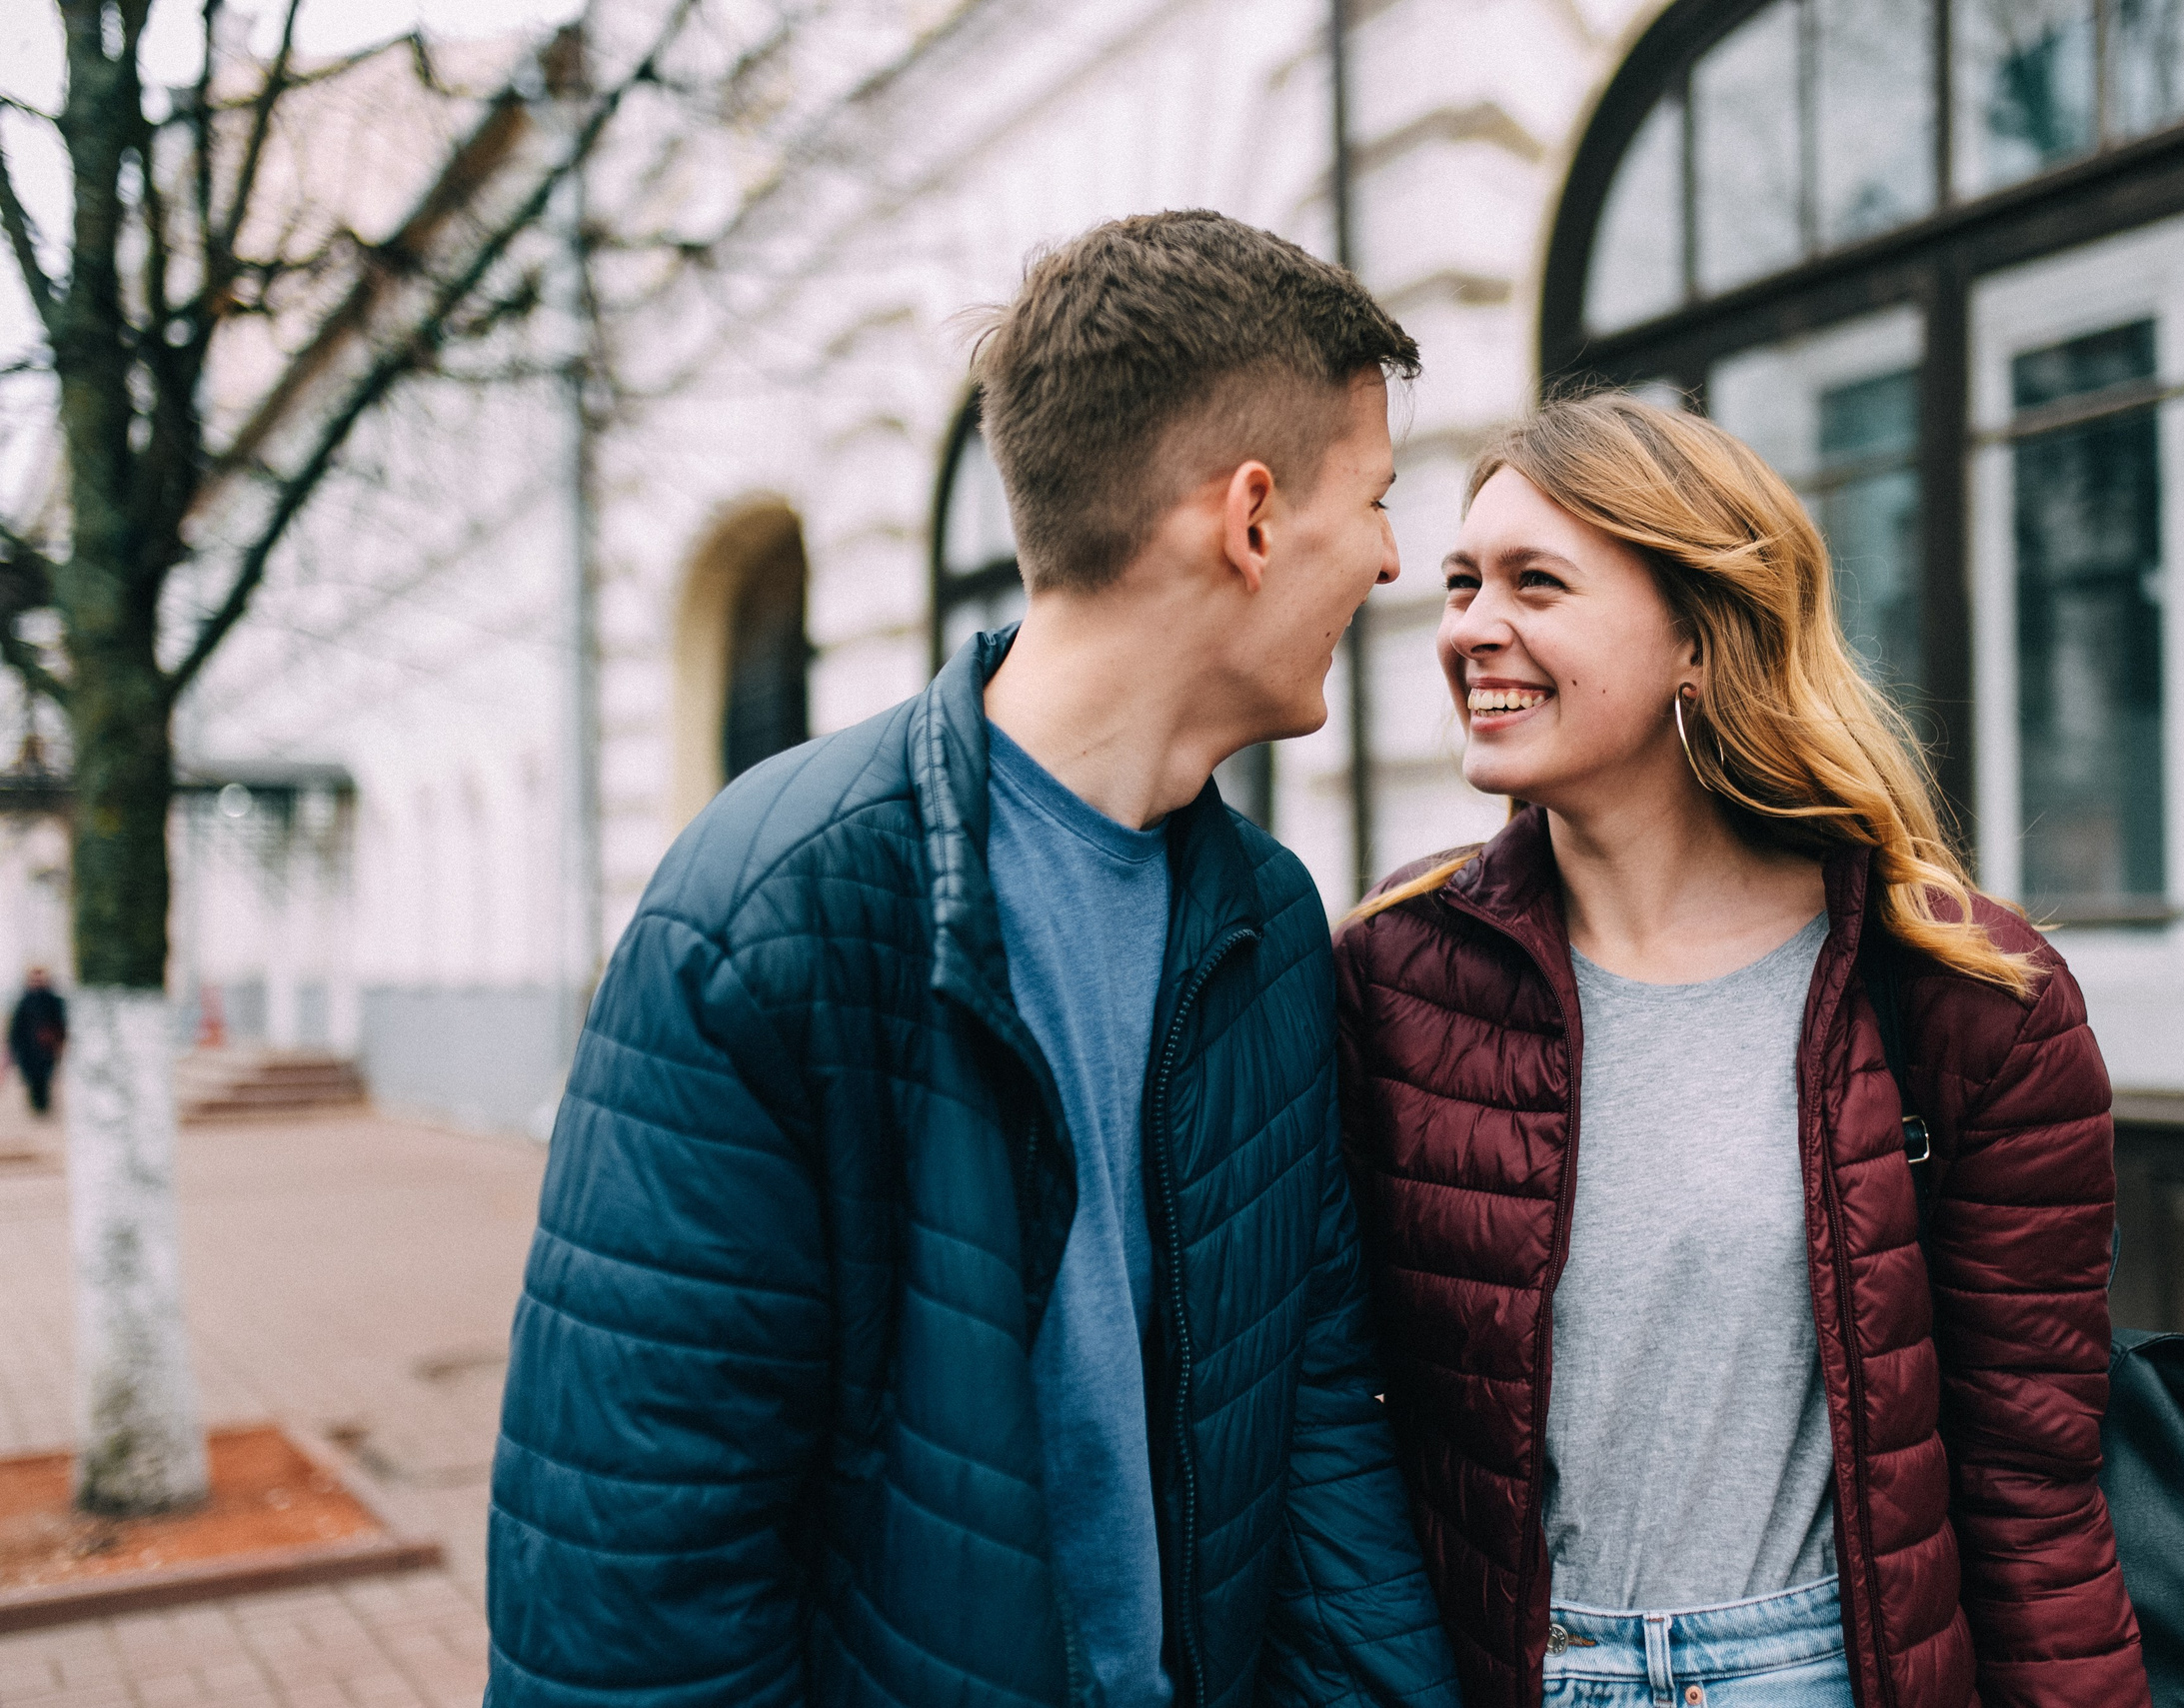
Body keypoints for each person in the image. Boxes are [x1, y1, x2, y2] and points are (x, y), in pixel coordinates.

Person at [485, 211, 1460, 1708]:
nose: (1395, 561)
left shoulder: (1266, 921)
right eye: (1377, 500)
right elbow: (641, 1580)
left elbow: (1314, 1422)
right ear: (1251, 519)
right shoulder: (780, 910)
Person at [1331, 395, 2146, 1708]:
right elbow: (1350, 1423)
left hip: (1821, 1671)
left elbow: (2029, 1478)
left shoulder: (1965, 1000)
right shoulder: (1398, 974)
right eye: (1464, 583)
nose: (1474, 626)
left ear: (1700, 641)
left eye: (1538, 584)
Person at [8, 967, 65, 1116]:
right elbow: (16, 1028)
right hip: (28, 1050)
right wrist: (14, 1048)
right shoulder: (23, 1002)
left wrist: (58, 1041)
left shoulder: (53, 1001)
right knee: (32, 1079)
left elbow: (60, 1024)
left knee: (44, 1078)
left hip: (46, 1048)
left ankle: (44, 1108)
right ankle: (37, 1108)